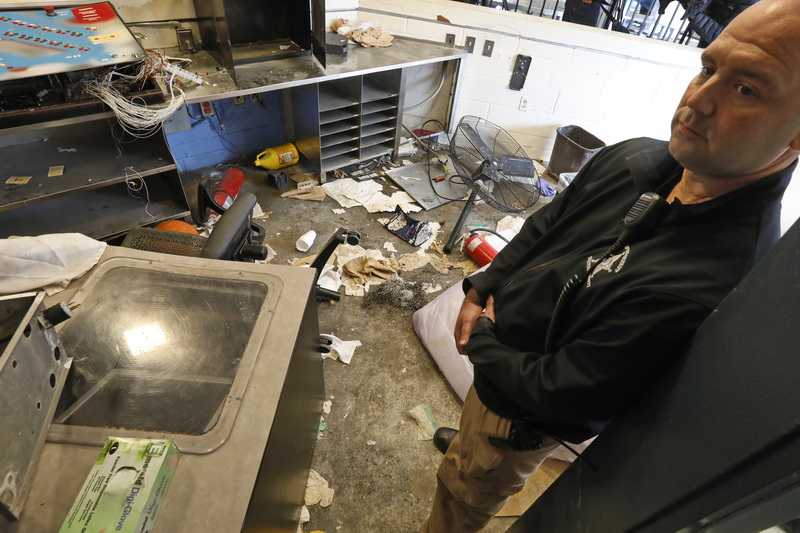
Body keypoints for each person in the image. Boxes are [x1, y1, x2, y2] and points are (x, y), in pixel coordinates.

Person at [421, 0, 800, 530]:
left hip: (519, 410)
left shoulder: (710, 284)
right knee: (473, 448)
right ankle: (473, 450)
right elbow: (547, 223)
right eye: (709, 68)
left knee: (463, 497)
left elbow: (564, 394)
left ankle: (478, 477)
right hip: (497, 371)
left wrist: (482, 341)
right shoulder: (637, 159)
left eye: (747, 89)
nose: (696, 102)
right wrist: (486, 284)